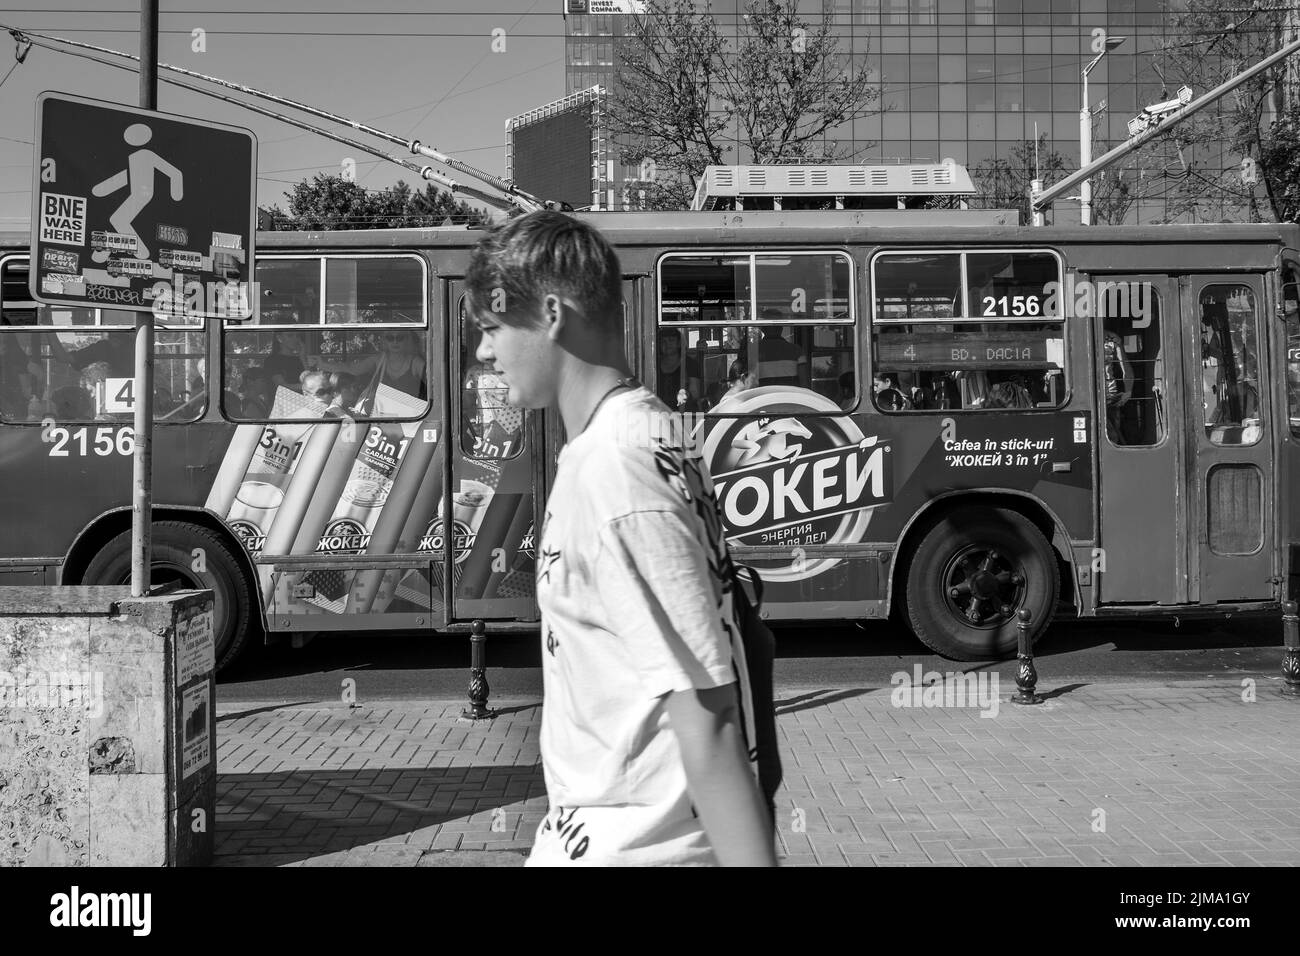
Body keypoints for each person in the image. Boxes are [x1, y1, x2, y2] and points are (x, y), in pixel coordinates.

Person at [465, 210, 775, 867]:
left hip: (633, 850)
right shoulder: (650, 433)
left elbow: (706, 715)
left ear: (551, 313)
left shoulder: (616, 465)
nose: (485, 352)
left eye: (492, 328)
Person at [315, 328, 427, 401]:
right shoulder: (378, 360)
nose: (395, 342)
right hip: (383, 415)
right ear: (385, 341)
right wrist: (323, 365)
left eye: (400, 338)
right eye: (390, 338)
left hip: (412, 415)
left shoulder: (415, 363)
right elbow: (353, 369)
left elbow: (432, 384)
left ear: (407, 340)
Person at [756, 312, 809, 387]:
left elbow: (750, 383)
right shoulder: (797, 351)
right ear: (781, 328)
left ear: (762, 328)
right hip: (790, 397)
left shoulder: (753, 351)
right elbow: (804, 383)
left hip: (763, 397)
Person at [654, 329, 701, 410]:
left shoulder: (689, 363)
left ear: (679, 343)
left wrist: (686, 394)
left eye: (671, 340)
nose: (667, 344)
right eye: (663, 341)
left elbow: (695, 393)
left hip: (684, 414)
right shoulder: (654, 363)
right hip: (657, 412)